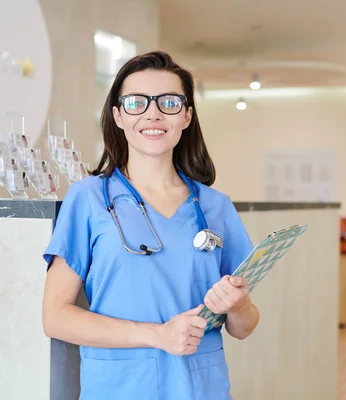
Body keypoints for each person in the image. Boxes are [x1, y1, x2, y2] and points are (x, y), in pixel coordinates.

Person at [41, 51, 260, 399]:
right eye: (136, 102)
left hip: (199, 387)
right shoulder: (88, 199)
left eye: (169, 102)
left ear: (186, 116)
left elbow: (243, 328)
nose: (153, 113)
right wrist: (156, 335)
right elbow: (55, 317)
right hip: (119, 387)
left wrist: (238, 305)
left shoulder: (215, 207)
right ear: (118, 115)